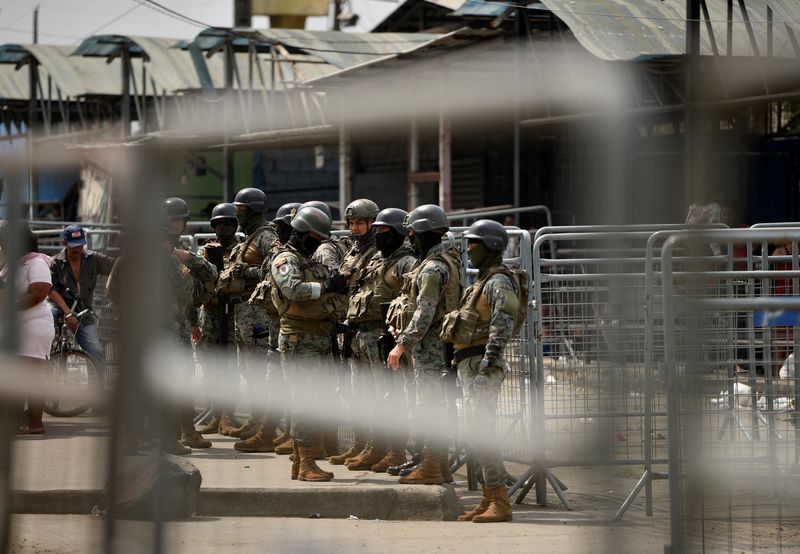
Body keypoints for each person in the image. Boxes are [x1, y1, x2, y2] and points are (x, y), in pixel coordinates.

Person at [446, 219, 519, 523]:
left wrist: (488, 364)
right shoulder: (484, 280)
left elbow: (503, 323)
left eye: (475, 244)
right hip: (470, 364)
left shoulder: (499, 281)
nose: (470, 249)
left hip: (482, 367)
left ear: (491, 246)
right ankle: (489, 497)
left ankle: (500, 501)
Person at [269, 206, 349, 481]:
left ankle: (302, 463)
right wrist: (328, 287)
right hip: (299, 338)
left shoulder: (307, 258)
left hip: (317, 336)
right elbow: (293, 290)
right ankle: (305, 464)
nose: (318, 243)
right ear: (301, 233)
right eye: (314, 238)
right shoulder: (285, 259)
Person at [387, 204, 462, 485]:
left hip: (429, 346)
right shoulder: (443, 261)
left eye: (411, 233)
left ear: (419, 233)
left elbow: (424, 312)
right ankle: (438, 466)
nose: (409, 238)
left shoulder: (432, 268)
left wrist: (401, 344)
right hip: (436, 345)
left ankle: (431, 467)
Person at [344, 207, 416, 472]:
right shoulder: (378, 259)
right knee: (368, 396)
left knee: (389, 395)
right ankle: (375, 446)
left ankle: (396, 450)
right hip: (364, 333)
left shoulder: (406, 262)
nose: (380, 236)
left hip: (385, 334)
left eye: (385, 232)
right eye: (379, 232)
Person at [219, 188, 280, 453]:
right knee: (248, 369)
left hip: (257, 312)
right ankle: (256, 420)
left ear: (253, 209)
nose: (236, 213)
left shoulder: (266, 236)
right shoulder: (250, 237)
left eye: (241, 209)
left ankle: (266, 426)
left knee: (259, 371)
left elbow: (275, 267)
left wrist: (248, 271)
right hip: (242, 310)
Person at [329, 199, 381, 467]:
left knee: (375, 393)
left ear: (372, 223)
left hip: (373, 330)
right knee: (357, 393)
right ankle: (360, 444)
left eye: (359, 222)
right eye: (351, 223)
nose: (354, 228)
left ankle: (376, 447)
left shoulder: (380, 251)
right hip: (352, 329)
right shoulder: (352, 251)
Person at [48, 225, 115, 405]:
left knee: (96, 351)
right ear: (64, 243)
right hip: (60, 308)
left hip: (84, 311)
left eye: (80, 245)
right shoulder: (55, 263)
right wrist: (67, 313)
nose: (78, 249)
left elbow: (116, 267)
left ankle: (96, 397)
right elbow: (50, 290)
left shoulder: (93, 259)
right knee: (45, 343)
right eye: (73, 245)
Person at [0, 222, 54, 435]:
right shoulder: (11, 265)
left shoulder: (36, 263)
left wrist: (9, 307)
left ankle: (36, 423)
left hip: (34, 327)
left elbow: (39, 293)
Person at [195, 203, 243, 436]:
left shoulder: (241, 250)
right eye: (219, 224)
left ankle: (228, 415)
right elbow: (198, 279)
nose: (222, 228)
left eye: (228, 223)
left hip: (232, 314)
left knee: (230, 365)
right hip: (210, 313)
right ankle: (215, 413)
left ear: (235, 225)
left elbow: (236, 277)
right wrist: (208, 260)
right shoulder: (205, 251)